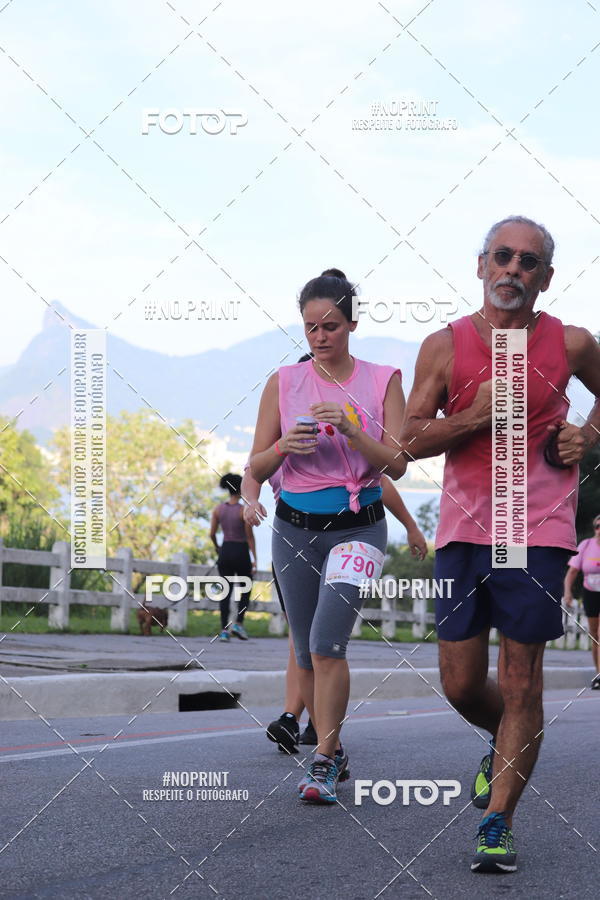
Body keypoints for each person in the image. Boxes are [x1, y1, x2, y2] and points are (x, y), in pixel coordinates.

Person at [400, 216, 600, 873]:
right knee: (460, 684)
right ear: (481, 264)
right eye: (503, 257)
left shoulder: (570, 343)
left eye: (529, 262)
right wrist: (475, 415)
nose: (514, 269)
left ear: (545, 278)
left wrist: (588, 435)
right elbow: (409, 440)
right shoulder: (444, 346)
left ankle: (497, 821)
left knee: (522, 681)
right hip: (462, 529)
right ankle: (504, 739)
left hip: (536, 530)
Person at [250, 267, 407, 804]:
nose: (320, 336)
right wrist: (283, 449)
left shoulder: (383, 378)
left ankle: (322, 758)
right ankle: (335, 752)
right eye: (311, 326)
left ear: (352, 323)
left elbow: (399, 464)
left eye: (332, 325)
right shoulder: (283, 381)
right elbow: (256, 462)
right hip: (293, 529)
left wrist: (350, 428)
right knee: (302, 648)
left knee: (325, 643)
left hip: (359, 527)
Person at [242, 459, 427, 755]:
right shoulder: (277, 440)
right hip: (295, 539)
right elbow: (252, 472)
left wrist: (411, 526)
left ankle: (318, 738)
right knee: (302, 641)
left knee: (324, 641)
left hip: (353, 534)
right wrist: (250, 501)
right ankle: (303, 720)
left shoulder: (340, 442)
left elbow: (381, 483)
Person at [210, 473, 256, 641]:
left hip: (226, 551)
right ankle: (238, 624)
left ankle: (224, 630)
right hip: (241, 551)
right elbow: (249, 537)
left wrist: (218, 548)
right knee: (245, 589)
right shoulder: (244, 510)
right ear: (240, 488)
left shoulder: (218, 509)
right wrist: (255, 558)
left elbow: (212, 534)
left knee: (225, 592)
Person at [563, 513, 600, 689]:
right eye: (597, 526)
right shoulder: (586, 545)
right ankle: (598, 672)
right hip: (590, 593)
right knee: (595, 636)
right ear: (594, 529)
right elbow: (572, 572)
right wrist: (568, 592)